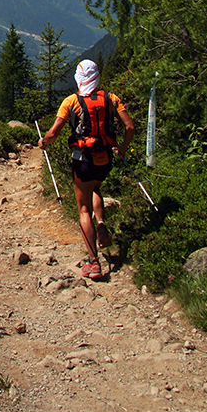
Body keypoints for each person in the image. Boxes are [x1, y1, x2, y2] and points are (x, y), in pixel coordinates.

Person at [38, 59, 135, 280]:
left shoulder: (71, 101)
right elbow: (129, 126)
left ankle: (93, 261)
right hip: (105, 158)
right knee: (96, 189)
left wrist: (43, 142)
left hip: (82, 161)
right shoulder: (111, 98)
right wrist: (122, 147)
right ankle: (101, 225)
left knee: (83, 210)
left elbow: (54, 133)